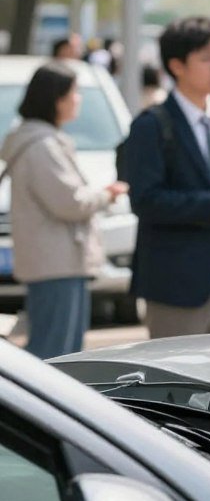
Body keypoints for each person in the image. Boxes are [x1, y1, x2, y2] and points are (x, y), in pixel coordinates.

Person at [118, 16, 210, 339]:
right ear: (177, 66)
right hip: (177, 281)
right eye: (206, 58)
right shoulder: (152, 125)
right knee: (176, 382)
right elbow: (145, 200)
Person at [0, 62, 127, 358]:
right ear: (57, 99)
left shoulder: (38, 139)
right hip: (56, 262)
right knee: (56, 353)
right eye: (75, 93)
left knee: (61, 348)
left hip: (56, 260)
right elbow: (70, 203)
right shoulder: (42, 145)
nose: (78, 99)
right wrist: (106, 195)